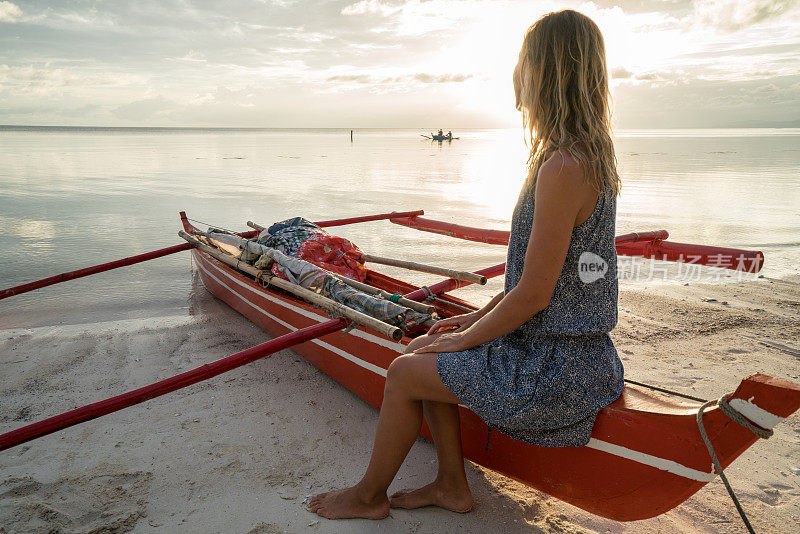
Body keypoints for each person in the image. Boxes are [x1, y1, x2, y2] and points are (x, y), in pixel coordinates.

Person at [310, 9, 624, 520]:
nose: (515, 77)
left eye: (523, 65)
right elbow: (543, 280)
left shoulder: (563, 167)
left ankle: (368, 497)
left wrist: (462, 340)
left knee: (404, 372)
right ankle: (451, 485)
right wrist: (470, 322)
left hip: (555, 369)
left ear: (545, 73)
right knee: (427, 346)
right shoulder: (584, 156)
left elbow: (535, 295)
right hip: (575, 357)